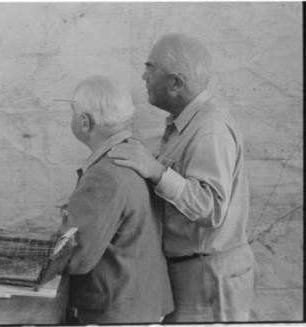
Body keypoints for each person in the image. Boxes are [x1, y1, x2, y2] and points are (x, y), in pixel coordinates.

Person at [108, 33, 256, 322]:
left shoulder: (209, 128)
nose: (143, 76)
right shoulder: (188, 124)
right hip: (195, 271)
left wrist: (156, 170)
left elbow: (212, 208)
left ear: (176, 83)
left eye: (150, 69)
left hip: (207, 275)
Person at [57, 76, 174, 324]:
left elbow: (76, 257)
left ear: (85, 122)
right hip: (143, 302)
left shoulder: (104, 174)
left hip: (115, 311)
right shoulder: (136, 155)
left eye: (73, 113)